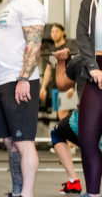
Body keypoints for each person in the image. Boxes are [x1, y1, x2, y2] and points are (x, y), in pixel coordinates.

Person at [0, 0, 46, 197]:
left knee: (24, 142)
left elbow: (34, 44)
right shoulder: (9, 5)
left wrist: (24, 79)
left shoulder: (29, 4)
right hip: (2, 82)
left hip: (20, 82)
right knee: (11, 143)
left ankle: (27, 194)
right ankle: (17, 191)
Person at [75, 0, 102, 197]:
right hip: (94, 72)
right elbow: (82, 37)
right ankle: (92, 193)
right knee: (86, 137)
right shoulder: (91, 0)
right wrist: (92, 66)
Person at [49, 48, 89, 195]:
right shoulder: (78, 60)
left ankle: (73, 180)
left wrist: (61, 62)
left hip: (87, 122)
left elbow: (61, 84)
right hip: (87, 121)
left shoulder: (80, 59)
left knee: (57, 134)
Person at [39, 23, 79, 120]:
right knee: (60, 116)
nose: (54, 34)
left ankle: (69, 135)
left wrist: (71, 87)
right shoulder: (52, 50)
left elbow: (75, 68)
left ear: (63, 32)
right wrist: (43, 87)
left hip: (66, 87)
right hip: (54, 87)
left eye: (57, 31)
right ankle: (65, 134)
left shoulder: (69, 48)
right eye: (52, 31)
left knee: (64, 115)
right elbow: (49, 69)